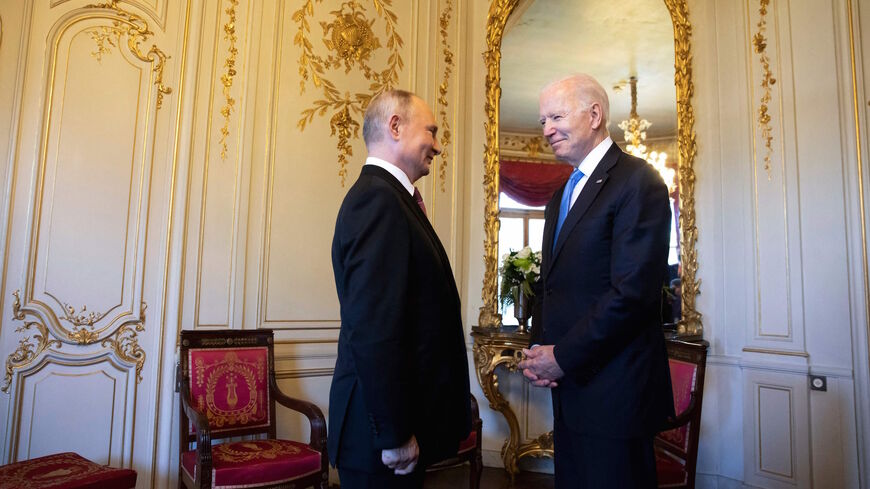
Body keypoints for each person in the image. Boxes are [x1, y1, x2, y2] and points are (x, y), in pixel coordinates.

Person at [518, 74, 674, 488]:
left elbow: (631, 294)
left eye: (556, 116)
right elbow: (554, 287)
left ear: (595, 115)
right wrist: (541, 352)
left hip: (616, 394)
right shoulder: (560, 196)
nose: (547, 129)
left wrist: (563, 356)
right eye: (542, 120)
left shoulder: (639, 181)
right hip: (571, 389)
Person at [328, 89, 472, 489]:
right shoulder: (377, 201)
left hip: (395, 430)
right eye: (432, 131)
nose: (438, 146)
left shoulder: (392, 199)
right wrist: (393, 433)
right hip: (380, 442)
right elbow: (374, 329)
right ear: (395, 126)